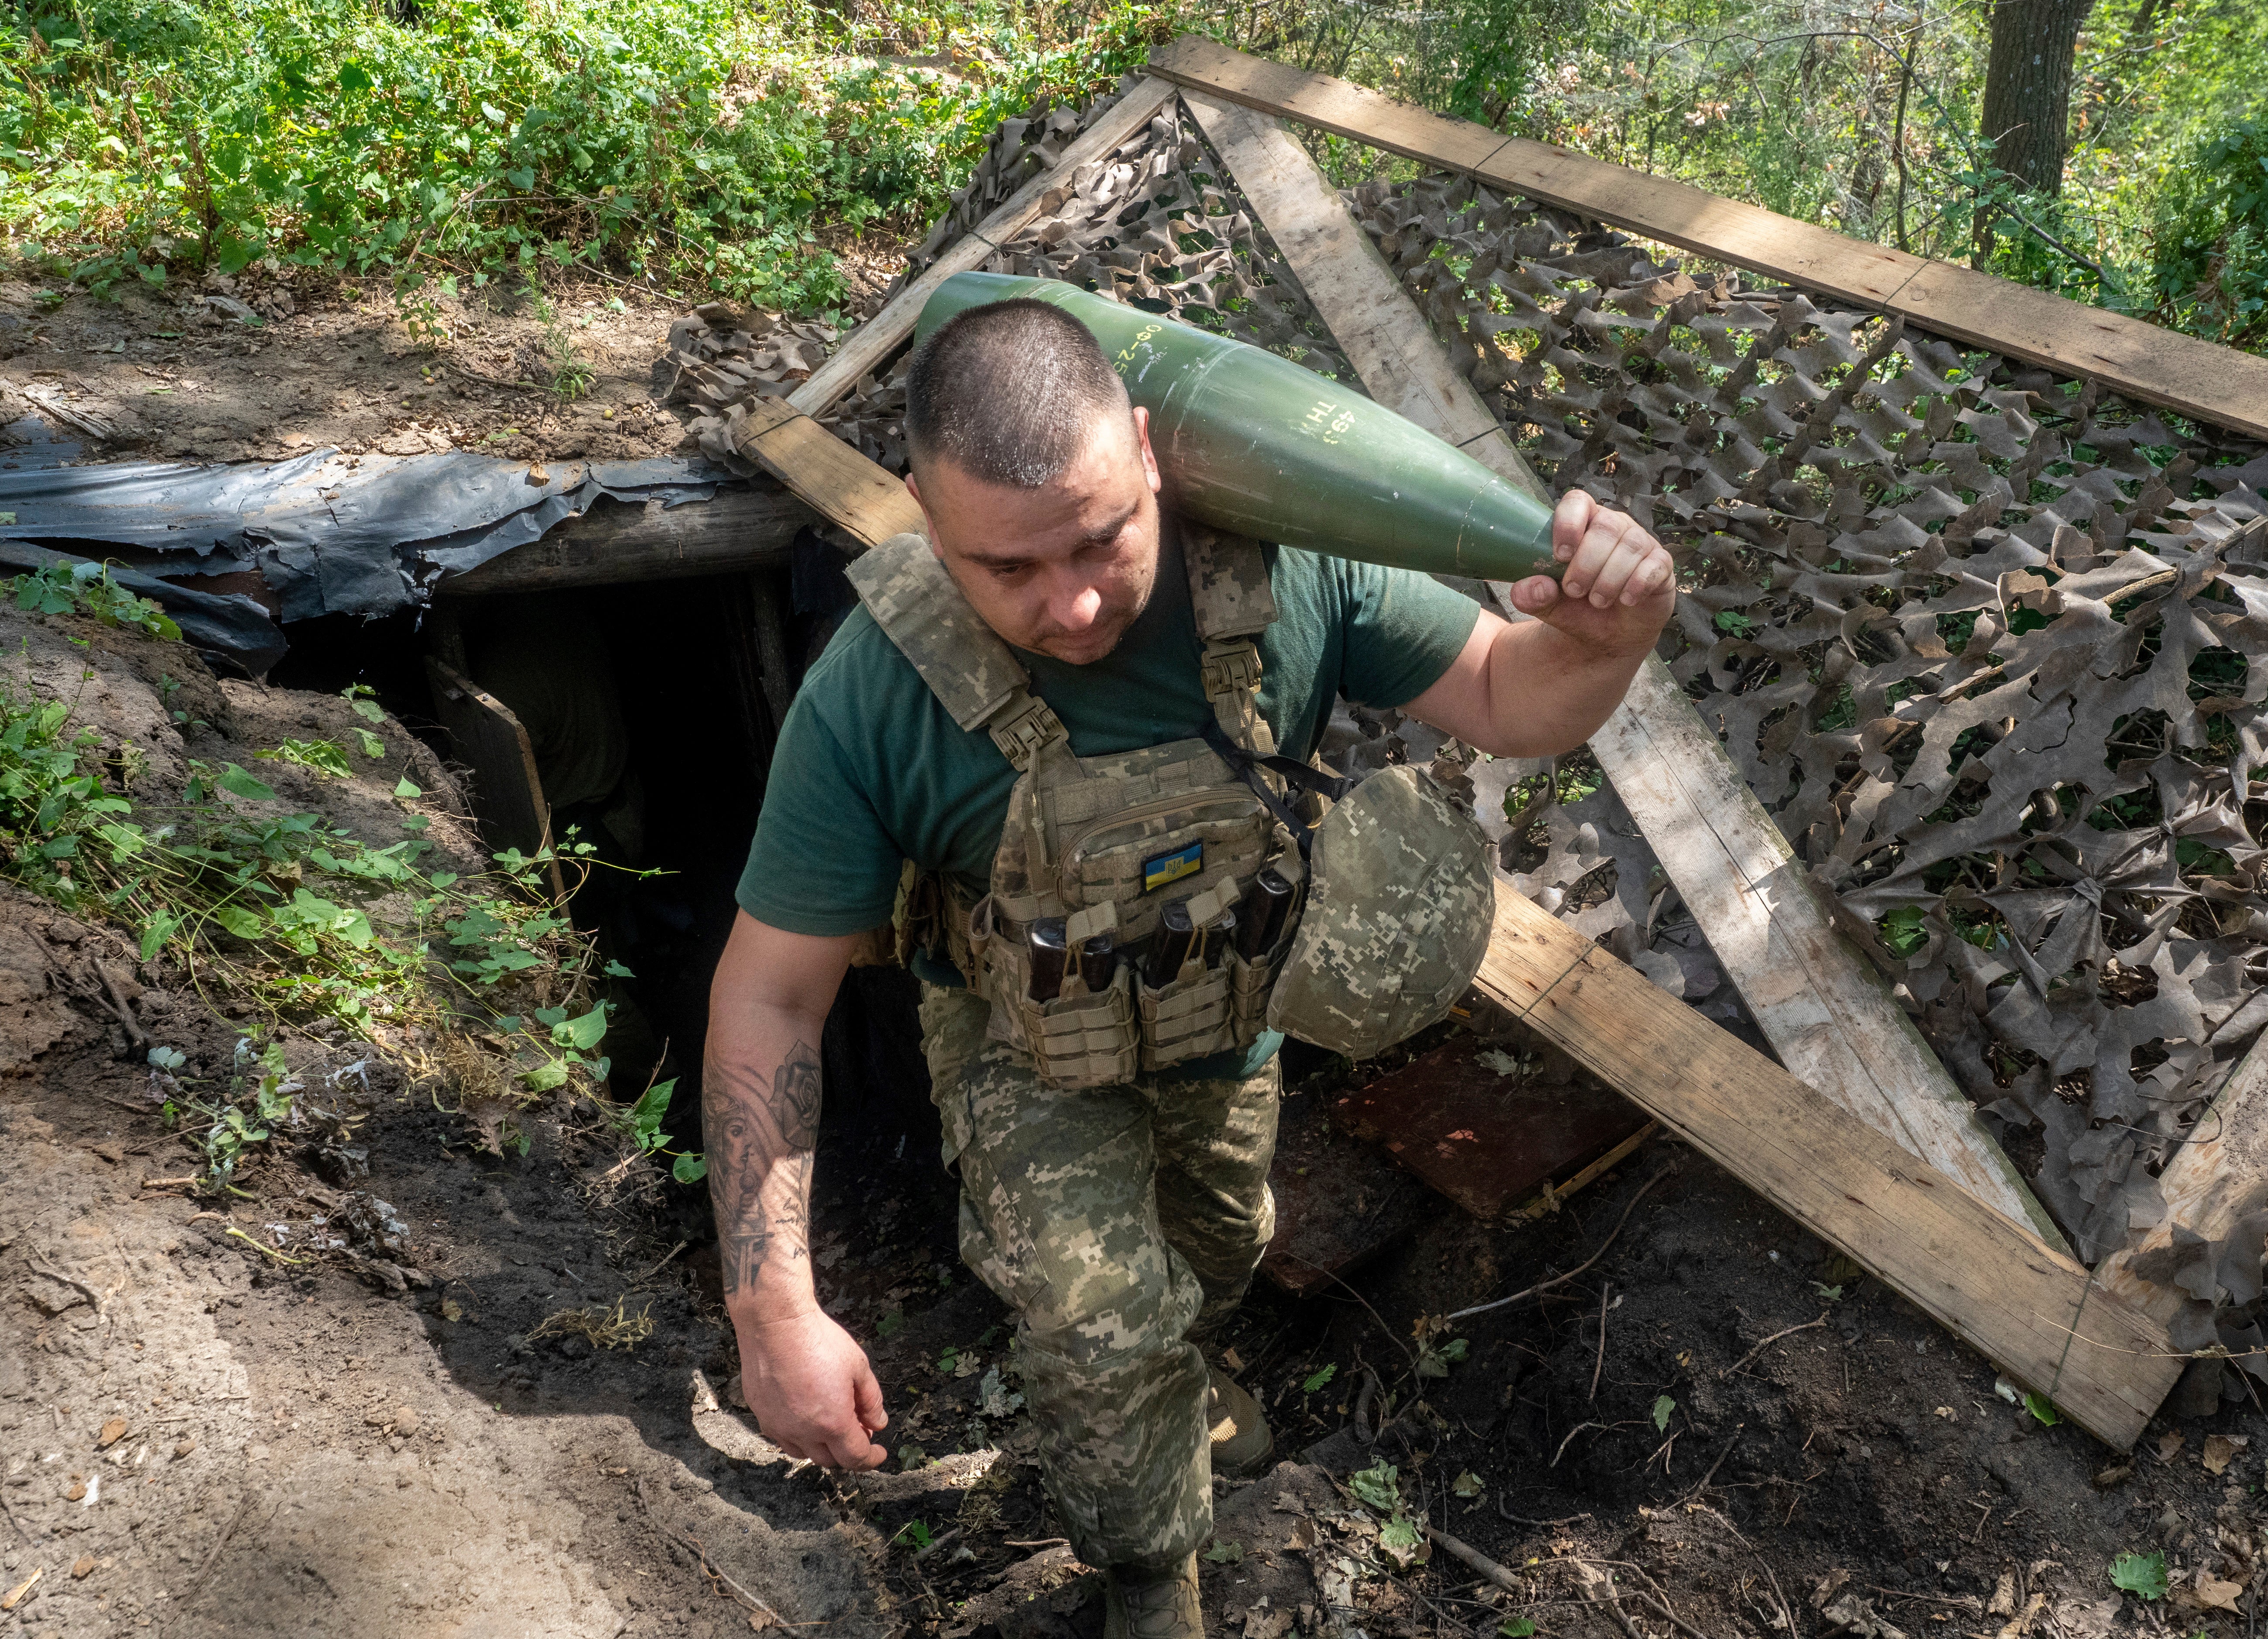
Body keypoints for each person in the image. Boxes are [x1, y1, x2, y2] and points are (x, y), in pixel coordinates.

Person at [704, 297, 1675, 1639]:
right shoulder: (877, 695)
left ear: (1151, 453)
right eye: (1012, 572)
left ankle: (1185, 1368)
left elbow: (1511, 693)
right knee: (1101, 1317)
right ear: (930, 523)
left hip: (1228, 1023)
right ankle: (1149, 1572)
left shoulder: (1292, 573)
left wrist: (1610, 635)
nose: (1080, 601)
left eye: (1104, 536)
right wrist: (775, 1311)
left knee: (1218, 1253)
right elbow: (773, 996)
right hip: (1024, 1055)